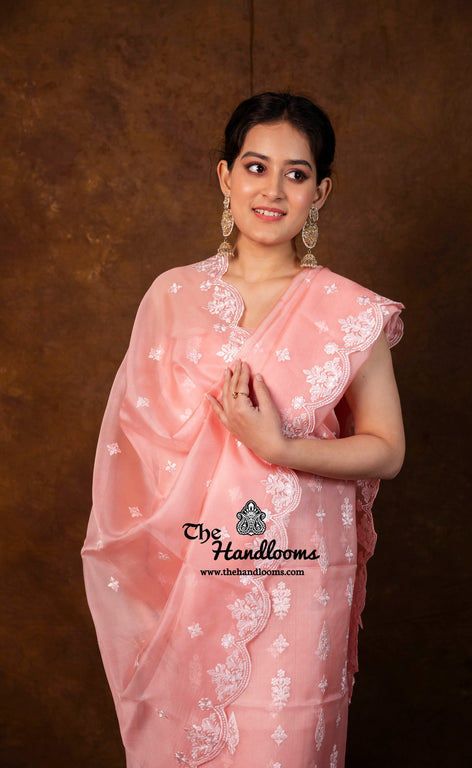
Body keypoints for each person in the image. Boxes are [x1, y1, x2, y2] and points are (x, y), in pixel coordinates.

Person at [82, 92, 405, 768]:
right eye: (256, 167)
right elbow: (134, 447)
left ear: (320, 192)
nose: (273, 189)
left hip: (300, 578)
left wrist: (279, 448)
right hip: (191, 565)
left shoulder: (348, 311)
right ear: (225, 176)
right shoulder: (173, 295)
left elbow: (387, 449)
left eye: (296, 173)